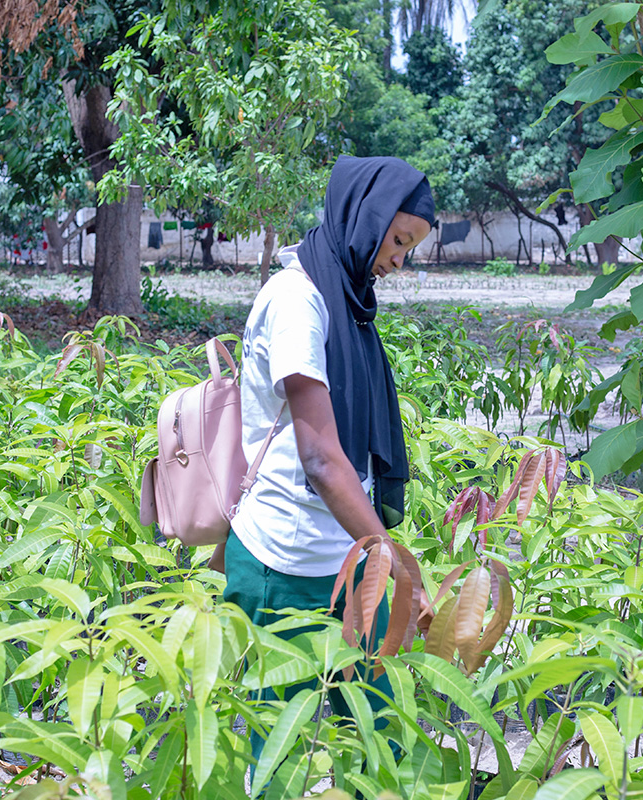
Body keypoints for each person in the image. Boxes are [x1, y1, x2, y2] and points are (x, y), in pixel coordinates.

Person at [222, 155, 434, 780]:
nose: (399, 260)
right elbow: (319, 457)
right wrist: (392, 559)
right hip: (283, 566)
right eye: (398, 241)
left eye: (411, 249)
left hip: (344, 566)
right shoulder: (298, 300)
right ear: (365, 219)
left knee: (380, 746)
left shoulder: (349, 301)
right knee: (282, 763)